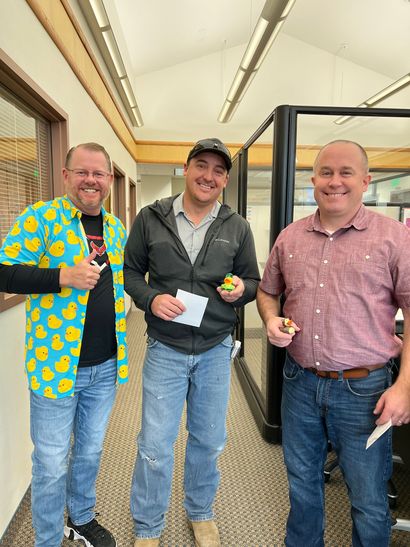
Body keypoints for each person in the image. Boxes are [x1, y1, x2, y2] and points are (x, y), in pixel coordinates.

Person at [257, 139, 410, 547]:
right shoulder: (290, 237)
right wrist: (271, 320)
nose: (335, 181)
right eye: (326, 172)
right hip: (300, 383)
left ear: (365, 181)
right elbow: (267, 291)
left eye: (345, 173)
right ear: (313, 180)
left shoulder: (393, 238)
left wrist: (405, 387)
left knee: (367, 499)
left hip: (364, 390)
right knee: (303, 489)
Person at [124, 137, 260, 546]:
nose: (209, 176)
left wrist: (241, 291)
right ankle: (148, 526)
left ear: (225, 180)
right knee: (155, 441)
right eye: (201, 165)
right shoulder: (151, 217)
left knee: (209, 438)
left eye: (219, 170)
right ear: (187, 169)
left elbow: (251, 280)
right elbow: (131, 272)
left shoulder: (237, 226)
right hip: (165, 347)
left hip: (216, 348)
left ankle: (200, 512)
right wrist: (150, 298)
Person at [0, 142, 129, 547]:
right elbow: (5, 272)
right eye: (83, 172)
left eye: (99, 173)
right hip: (56, 365)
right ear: (66, 175)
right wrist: (61, 276)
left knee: (89, 453)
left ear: (109, 180)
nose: (91, 180)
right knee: (52, 463)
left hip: (106, 364)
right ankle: (49, 539)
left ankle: (82, 519)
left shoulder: (116, 228)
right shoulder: (41, 218)